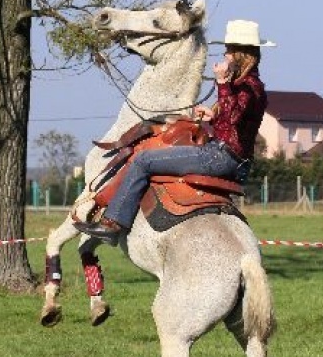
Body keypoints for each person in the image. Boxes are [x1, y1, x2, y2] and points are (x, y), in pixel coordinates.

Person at [74, 19, 273, 244]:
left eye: (228, 51)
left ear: (239, 54)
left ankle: (114, 223)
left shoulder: (247, 86)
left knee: (143, 160)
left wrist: (221, 83)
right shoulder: (250, 85)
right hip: (233, 158)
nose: (225, 55)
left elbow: (234, 115)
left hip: (221, 157)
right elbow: (234, 120)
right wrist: (213, 116)